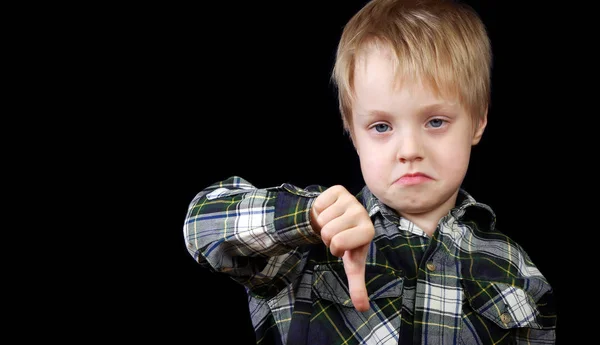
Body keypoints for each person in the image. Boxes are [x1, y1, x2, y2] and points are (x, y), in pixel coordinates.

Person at [183, 0, 557, 343]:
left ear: (478, 121)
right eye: (381, 127)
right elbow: (202, 225)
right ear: (352, 130)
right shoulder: (308, 244)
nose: (409, 150)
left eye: (436, 121)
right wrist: (310, 218)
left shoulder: (515, 269)